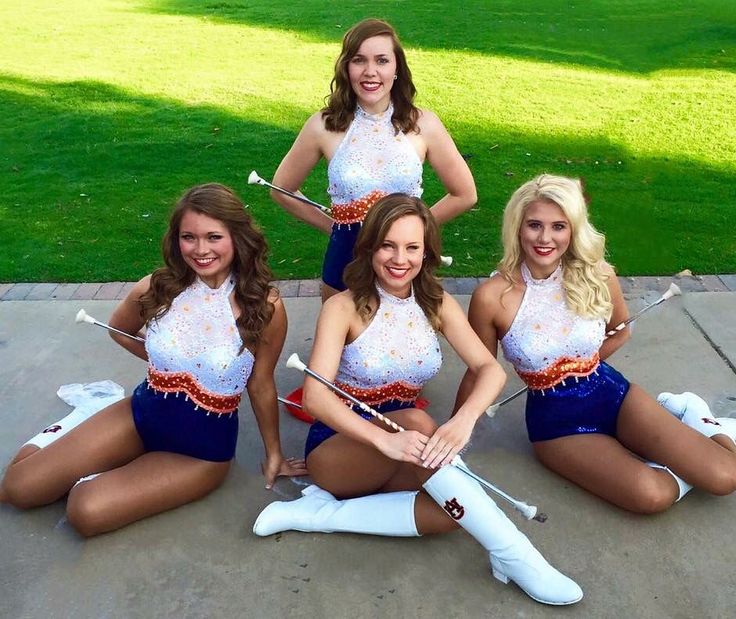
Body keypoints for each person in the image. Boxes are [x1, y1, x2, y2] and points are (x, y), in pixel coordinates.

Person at [253, 194, 583, 606]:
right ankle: (517, 556)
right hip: (342, 452)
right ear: (369, 246)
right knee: (420, 426)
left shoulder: (436, 303)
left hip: (406, 448)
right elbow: (317, 397)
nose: (399, 259)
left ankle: (319, 515)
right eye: (388, 245)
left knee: (453, 511)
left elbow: (491, 369)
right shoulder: (343, 307)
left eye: (412, 247)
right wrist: (383, 440)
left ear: (427, 251)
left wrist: (463, 421)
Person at [1, 184, 306, 536]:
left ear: (238, 237)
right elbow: (120, 330)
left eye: (213, 237)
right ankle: (81, 420)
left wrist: (274, 454)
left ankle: (91, 461)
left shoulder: (264, 305)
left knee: (85, 511)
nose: (201, 249)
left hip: (200, 453)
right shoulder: (158, 286)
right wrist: (169, 364)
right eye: (188, 237)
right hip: (140, 416)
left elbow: (261, 383)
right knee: (18, 489)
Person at [455, 174, 736, 514]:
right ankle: (681, 452)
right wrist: (455, 434)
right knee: (652, 495)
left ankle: (696, 414)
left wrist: (579, 366)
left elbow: (620, 329)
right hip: (557, 426)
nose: (545, 238)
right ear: (517, 227)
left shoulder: (597, 273)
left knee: (725, 476)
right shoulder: (491, 297)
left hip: (610, 393)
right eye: (534, 225)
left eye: (559, 226)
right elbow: (479, 371)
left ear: (573, 229)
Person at [269, 18, 476, 301]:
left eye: (381, 60)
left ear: (396, 68)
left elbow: (465, 194)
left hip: (404, 262)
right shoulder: (323, 125)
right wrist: (333, 227)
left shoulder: (424, 124)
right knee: (343, 338)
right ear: (346, 67)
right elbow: (282, 189)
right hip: (347, 258)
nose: (370, 72)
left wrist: (414, 229)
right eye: (358, 60)